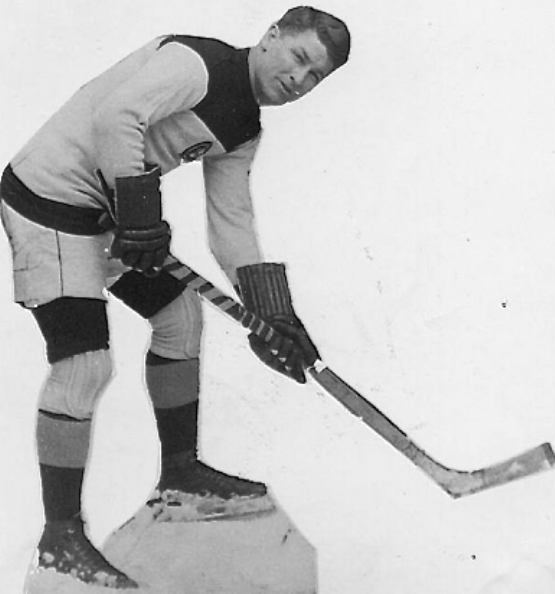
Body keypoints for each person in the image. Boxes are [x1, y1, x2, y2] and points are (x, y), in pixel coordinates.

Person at [0, 6, 350, 589]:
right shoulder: (197, 63)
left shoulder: (244, 129)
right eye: (299, 57)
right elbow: (118, 115)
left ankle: (180, 479)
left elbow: (231, 220)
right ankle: (59, 539)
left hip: (108, 214)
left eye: (315, 76)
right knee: (84, 365)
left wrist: (271, 311)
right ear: (270, 37)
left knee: (180, 319)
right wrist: (139, 212)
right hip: (51, 202)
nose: (299, 79)